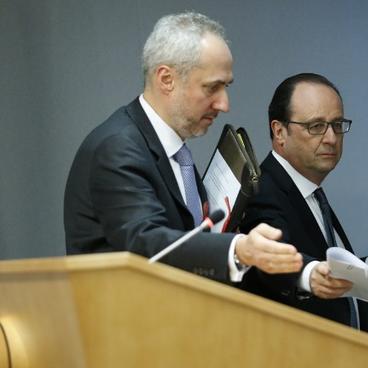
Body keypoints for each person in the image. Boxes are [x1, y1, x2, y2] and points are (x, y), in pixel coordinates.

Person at [64, 12, 302, 283]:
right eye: (212, 88)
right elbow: (146, 242)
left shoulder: (175, 151)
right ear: (166, 79)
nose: (225, 104)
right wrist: (237, 249)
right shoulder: (117, 147)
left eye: (226, 87)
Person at [240, 73, 368, 331]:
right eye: (316, 126)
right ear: (280, 131)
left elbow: (324, 273)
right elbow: (279, 268)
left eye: (337, 124)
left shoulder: (310, 190)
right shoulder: (262, 191)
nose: (331, 138)